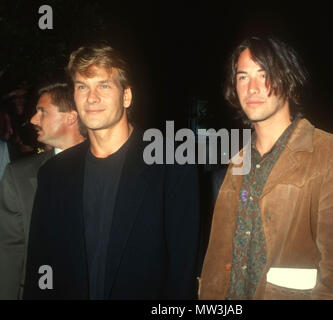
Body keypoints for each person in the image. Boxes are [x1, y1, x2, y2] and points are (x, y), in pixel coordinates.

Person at [199, 36, 333, 300]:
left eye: (265, 74)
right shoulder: (237, 163)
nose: (253, 87)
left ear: (288, 81)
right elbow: (218, 258)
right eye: (243, 77)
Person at [23, 43, 200, 299]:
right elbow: (40, 267)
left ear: (126, 96)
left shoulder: (172, 164)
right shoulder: (53, 173)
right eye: (83, 86)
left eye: (103, 85)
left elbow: (182, 273)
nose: (91, 97)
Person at [0, 82, 85, 299]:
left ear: (71, 117)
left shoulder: (110, 169)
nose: (33, 120)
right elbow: (9, 251)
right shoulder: (18, 176)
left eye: (42, 112)